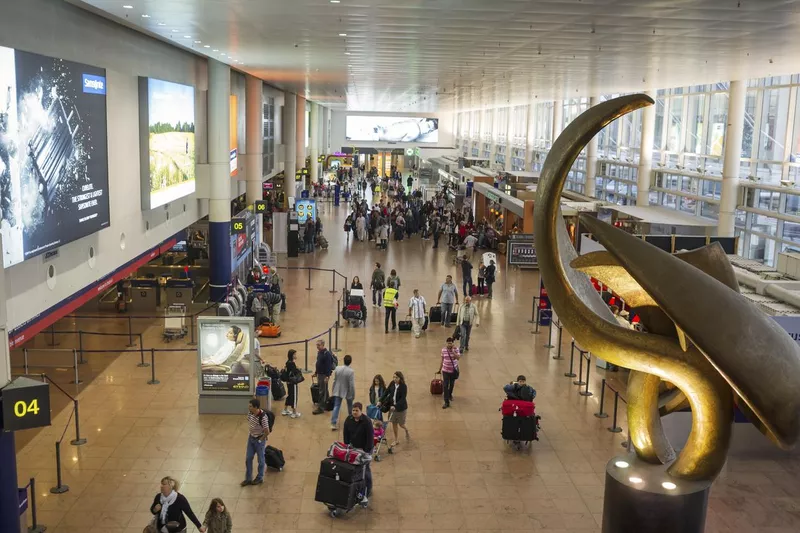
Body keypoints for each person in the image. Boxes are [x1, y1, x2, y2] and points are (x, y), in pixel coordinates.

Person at [342, 403, 374, 504]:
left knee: (366, 470)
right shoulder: (349, 420)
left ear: (361, 411)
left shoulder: (367, 422)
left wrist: (367, 451)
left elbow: (370, 438)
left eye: (357, 410)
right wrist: (347, 445)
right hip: (354, 448)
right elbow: (345, 433)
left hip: (365, 449)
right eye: (353, 410)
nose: (355, 412)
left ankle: (368, 489)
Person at [241, 398, 270, 486]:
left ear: (256, 407)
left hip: (259, 440)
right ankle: (248, 478)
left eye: (250, 406)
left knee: (261, 460)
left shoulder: (263, 417)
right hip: (251, 438)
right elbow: (250, 422)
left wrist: (261, 440)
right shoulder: (250, 414)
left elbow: (267, 431)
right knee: (248, 458)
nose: (248, 408)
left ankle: (259, 477)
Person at [378, 371, 409, 447]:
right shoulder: (392, 383)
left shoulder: (403, 386)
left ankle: (406, 429)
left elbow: (402, 398)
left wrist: (396, 405)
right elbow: (386, 392)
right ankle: (396, 440)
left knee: (401, 424)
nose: (394, 379)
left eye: (396, 377)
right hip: (392, 408)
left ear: (400, 378)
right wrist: (380, 400)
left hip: (400, 409)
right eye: (394, 377)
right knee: (394, 423)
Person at [330, 354, 356, 430]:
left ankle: (333, 423)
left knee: (336, 406)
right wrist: (352, 393)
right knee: (350, 406)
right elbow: (351, 384)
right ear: (350, 362)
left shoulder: (337, 368)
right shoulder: (351, 371)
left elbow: (335, 380)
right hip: (347, 390)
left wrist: (333, 389)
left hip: (338, 389)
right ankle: (352, 421)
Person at [312, 340, 335, 415]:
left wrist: (327, 376)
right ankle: (327, 404)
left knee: (322, 391)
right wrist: (316, 372)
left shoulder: (326, 354)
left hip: (324, 375)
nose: (317, 346)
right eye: (317, 345)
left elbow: (328, 366)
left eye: (318, 345)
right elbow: (318, 363)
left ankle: (321, 408)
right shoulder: (319, 353)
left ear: (322, 345)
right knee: (324, 389)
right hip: (319, 374)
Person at [438, 337, 461, 409]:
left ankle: (450, 394)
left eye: (451, 343)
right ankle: (446, 401)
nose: (449, 345)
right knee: (445, 385)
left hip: (453, 371)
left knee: (451, 384)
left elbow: (458, 358)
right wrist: (439, 369)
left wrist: (453, 351)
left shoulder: (456, 349)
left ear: (453, 343)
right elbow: (442, 360)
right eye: (448, 343)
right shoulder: (443, 350)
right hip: (445, 371)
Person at [281, 349, 301, 418]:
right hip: (293, 383)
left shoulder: (287, 362)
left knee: (289, 395)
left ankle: (285, 409)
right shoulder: (292, 364)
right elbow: (295, 372)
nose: (296, 355)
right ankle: (294, 412)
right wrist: (298, 369)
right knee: (294, 397)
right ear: (292, 355)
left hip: (288, 382)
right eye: (295, 354)